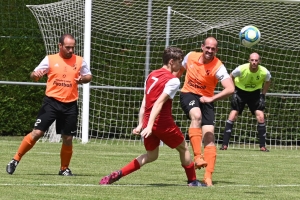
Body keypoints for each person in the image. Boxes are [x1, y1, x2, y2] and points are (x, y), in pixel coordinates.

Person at [99, 47, 205, 187]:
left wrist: (141, 124)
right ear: (171, 62)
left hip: (148, 121)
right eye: (179, 62)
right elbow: (158, 103)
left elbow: (145, 101)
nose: (181, 65)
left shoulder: (152, 75)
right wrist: (149, 125)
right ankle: (192, 181)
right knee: (183, 148)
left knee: (151, 155)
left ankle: (118, 173)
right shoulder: (173, 81)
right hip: (161, 122)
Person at [6, 34, 92, 176]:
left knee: (68, 138)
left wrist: (82, 79)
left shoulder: (80, 61)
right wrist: (36, 75)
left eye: (73, 47)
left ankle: (64, 168)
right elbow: (33, 75)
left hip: (70, 104)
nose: (71, 50)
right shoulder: (50, 59)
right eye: (67, 47)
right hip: (51, 102)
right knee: (37, 133)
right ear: (60, 46)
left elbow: (89, 76)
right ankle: (15, 159)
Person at [174, 37, 235, 186]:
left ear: (216, 50)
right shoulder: (190, 56)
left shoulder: (218, 66)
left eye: (213, 49)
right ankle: (197, 156)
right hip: (188, 94)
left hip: (207, 99)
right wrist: (170, 86)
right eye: (207, 47)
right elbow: (179, 70)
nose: (210, 51)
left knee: (209, 137)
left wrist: (212, 98)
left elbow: (230, 88)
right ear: (202, 47)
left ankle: (208, 178)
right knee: (196, 115)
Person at [220, 52, 271, 152]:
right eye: (252, 60)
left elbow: (268, 81)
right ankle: (224, 145)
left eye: (256, 60)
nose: (254, 62)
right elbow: (231, 76)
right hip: (240, 92)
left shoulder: (265, 72)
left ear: (259, 61)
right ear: (249, 60)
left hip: (255, 94)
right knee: (233, 115)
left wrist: (263, 95)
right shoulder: (241, 69)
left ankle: (262, 146)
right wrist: (233, 91)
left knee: (261, 116)